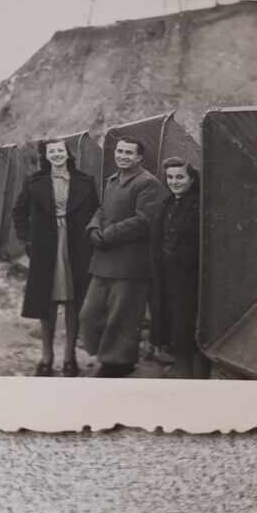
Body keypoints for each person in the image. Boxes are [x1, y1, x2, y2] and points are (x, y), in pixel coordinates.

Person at [12, 139, 99, 377]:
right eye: (52, 152)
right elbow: (19, 213)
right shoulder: (34, 182)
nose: (57, 155)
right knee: (46, 301)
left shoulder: (85, 182)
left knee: (74, 301)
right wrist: (28, 240)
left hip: (77, 248)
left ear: (67, 153)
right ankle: (46, 356)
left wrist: (91, 238)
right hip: (45, 248)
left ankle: (70, 357)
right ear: (47, 156)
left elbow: (96, 212)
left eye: (60, 151)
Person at [80, 136, 166, 377]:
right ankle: (105, 356)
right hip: (103, 261)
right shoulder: (112, 180)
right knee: (89, 314)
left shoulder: (148, 183)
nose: (122, 156)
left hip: (130, 264)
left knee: (123, 316)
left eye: (129, 153)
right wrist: (94, 228)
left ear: (139, 157)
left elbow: (144, 220)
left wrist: (108, 235)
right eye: (120, 151)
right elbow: (102, 209)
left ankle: (118, 364)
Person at [149, 157, 210, 379]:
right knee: (174, 330)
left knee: (189, 331)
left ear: (192, 179)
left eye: (180, 177)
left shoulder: (200, 205)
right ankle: (182, 375)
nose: (174, 182)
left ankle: (196, 380)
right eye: (170, 177)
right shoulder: (166, 205)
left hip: (190, 281)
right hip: (167, 279)